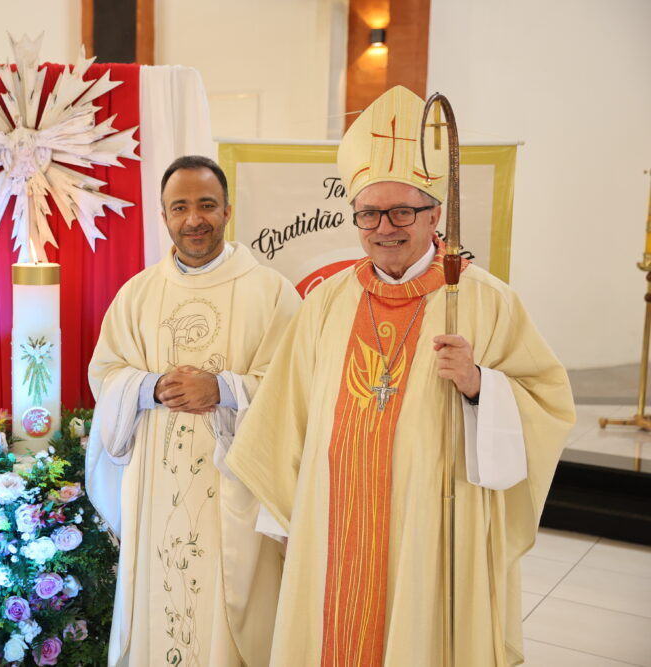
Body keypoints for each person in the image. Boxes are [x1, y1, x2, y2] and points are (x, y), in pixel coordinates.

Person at [226, 86, 575, 667]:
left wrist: (480, 385)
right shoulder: (326, 302)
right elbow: (286, 413)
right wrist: (286, 512)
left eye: (402, 212)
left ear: (435, 215)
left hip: (430, 525)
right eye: (369, 213)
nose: (384, 227)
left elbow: (548, 402)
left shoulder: (483, 300)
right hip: (333, 523)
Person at [86, 155, 301, 666]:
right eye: (179, 207)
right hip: (155, 489)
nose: (194, 219)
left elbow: (295, 388)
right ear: (163, 216)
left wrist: (221, 389)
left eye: (206, 205)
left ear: (227, 210)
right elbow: (106, 374)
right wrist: (150, 387)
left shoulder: (272, 292)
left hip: (237, 489)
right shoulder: (138, 294)